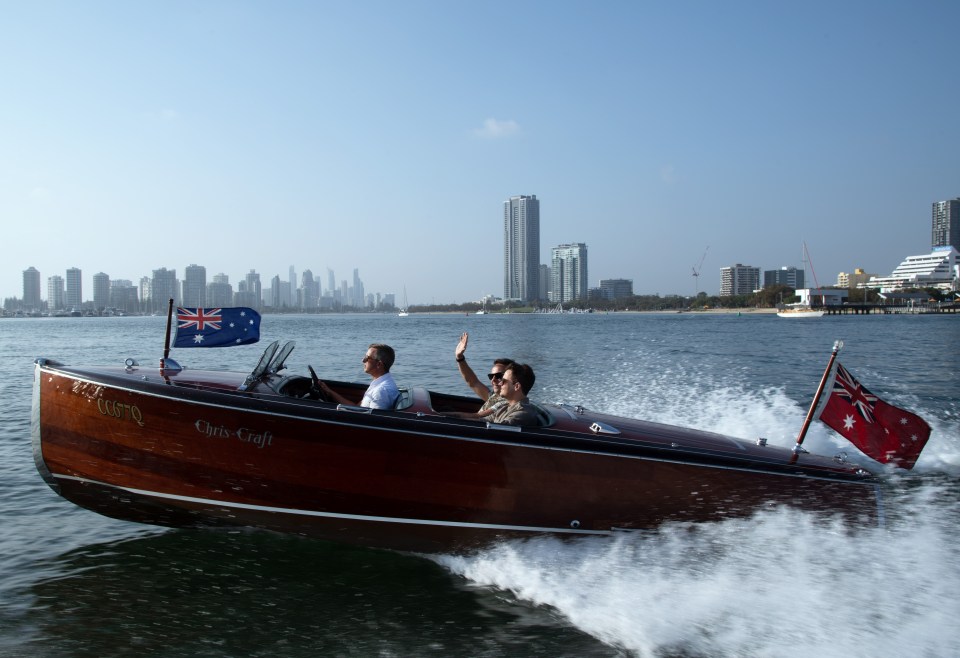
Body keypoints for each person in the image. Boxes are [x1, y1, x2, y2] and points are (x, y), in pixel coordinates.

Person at [318, 343, 400, 409]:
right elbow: (357, 407)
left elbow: (373, 422)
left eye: (367, 358)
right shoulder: (378, 384)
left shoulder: (381, 391)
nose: (363, 360)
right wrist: (329, 392)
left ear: (379, 364)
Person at [453, 332, 513, 417]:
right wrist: (459, 357)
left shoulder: (508, 403)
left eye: (499, 376)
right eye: (491, 376)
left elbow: (476, 417)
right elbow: (473, 382)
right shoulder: (495, 396)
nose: (493, 380)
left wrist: (438, 415)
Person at [488, 362, 543, 427]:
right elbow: (483, 420)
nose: (500, 384)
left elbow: (498, 429)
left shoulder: (523, 413)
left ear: (516, 386)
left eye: (503, 381)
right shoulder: (503, 407)